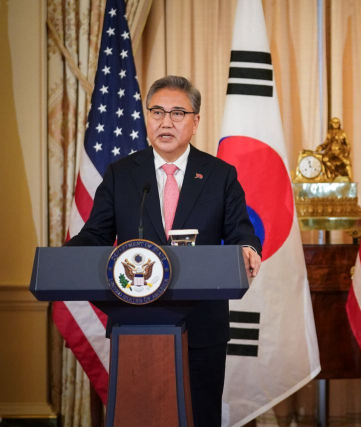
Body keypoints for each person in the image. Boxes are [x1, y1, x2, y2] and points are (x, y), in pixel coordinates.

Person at [66, 75, 262, 427]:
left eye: (177, 113)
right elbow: (95, 235)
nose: (165, 122)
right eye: (157, 112)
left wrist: (248, 248)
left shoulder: (220, 175)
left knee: (201, 417)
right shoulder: (121, 174)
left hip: (203, 325)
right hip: (135, 322)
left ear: (195, 121)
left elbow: (240, 232)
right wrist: (65, 258)